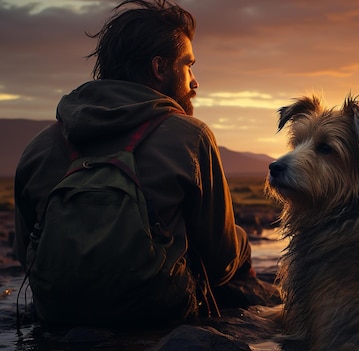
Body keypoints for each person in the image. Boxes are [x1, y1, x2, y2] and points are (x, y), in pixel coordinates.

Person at [14, 0, 255, 325]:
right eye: (188, 65)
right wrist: (242, 245)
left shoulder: (39, 147)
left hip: (57, 315)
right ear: (159, 68)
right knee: (237, 249)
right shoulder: (190, 137)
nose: (194, 81)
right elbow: (221, 262)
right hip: (158, 313)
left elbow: (24, 253)